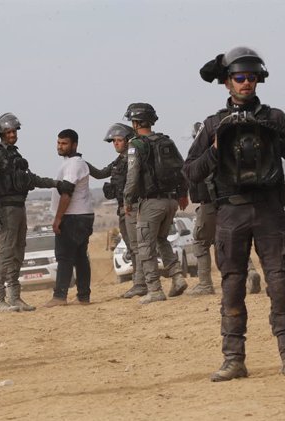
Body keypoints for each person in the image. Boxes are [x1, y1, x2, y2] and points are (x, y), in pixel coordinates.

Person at [184, 46, 285, 381]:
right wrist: (215, 149)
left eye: (251, 77)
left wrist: (277, 139)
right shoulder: (214, 124)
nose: (246, 83)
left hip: (269, 213)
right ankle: (233, 359)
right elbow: (191, 172)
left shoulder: (275, 118)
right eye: (239, 77)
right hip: (231, 214)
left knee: (280, 284)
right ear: (227, 82)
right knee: (232, 286)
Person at [0, 112, 73, 313]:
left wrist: (56, 184)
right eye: (9, 131)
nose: (13, 134)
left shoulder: (14, 155)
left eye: (14, 131)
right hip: (5, 209)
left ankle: (14, 297)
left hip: (19, 207)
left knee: (18, 251)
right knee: (5, 252)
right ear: (1, 133)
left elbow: (31, 179)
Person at [123, 103, 189, 305]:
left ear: (135, 122)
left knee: (145, 246)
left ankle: (154, 289)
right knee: (162, 240)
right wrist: (182, 194)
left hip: (150, 203)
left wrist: (127, 199)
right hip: (171, 201)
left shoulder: (136, 144)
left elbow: (133, 176)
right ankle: (177, 277)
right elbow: (182, 168)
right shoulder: (166, 141)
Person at [187, 122, 262, 296]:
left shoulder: (203, 157)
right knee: (234, 241)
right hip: (233, 205)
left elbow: (195, 180)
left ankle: (205, 284)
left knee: (200, 242)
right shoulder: (232, 153)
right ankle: (250, 272)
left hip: (210, 206)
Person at [88, 123, 147, 298]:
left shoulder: (132, 158)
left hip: (133, 206)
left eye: (119, 140)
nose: (115, 143)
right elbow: (100, 174)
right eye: (114, 141)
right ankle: (139, 282)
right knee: (131, 246)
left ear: (128, 140)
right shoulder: (118, 161)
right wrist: (82, 163)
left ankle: (140, 283)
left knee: (136, 247)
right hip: (122, 207)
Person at [43, 129, 94, 307]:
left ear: (74, 145)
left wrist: (58, 218)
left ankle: (59, 296)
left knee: (64, 257)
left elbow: (67, 193)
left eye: (64, 143)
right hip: (82, 215)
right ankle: (83, 296)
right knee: (80, 256)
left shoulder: (73, 164)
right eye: (58, 143)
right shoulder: (73, 163)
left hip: (73, 217)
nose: (60, 146)